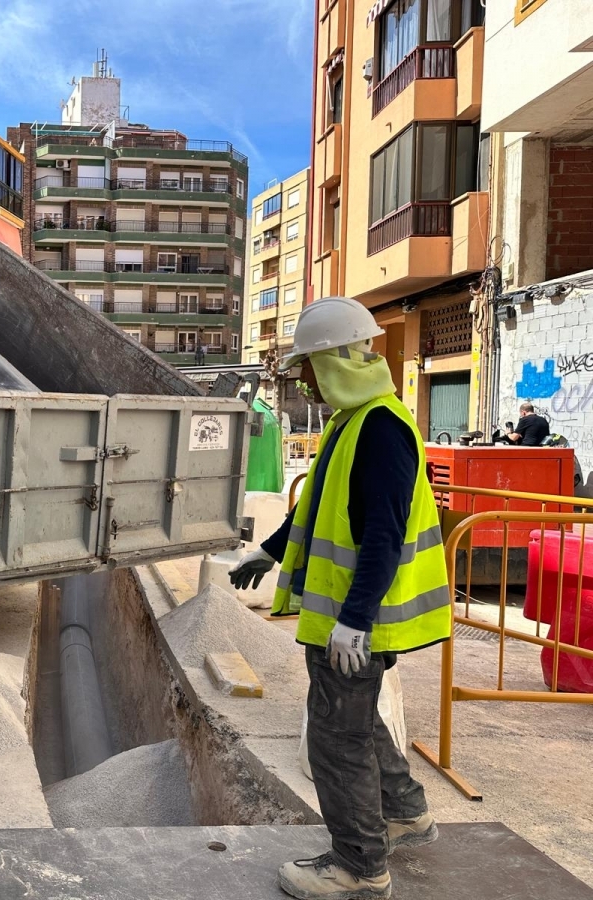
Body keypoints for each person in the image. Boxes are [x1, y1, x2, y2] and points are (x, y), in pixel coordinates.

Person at [228, 296, 452, 900]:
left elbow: (382, 532)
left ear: (332, 362)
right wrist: (271, 551)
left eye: (307, 365)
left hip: (358, 621)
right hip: (351, 616)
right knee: (355, 720)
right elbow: (317, 506)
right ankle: (405, 813)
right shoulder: (351, 423)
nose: (301, 378)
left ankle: (358, 866)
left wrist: (354, 622)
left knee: (336, 737)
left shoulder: (380, 428)